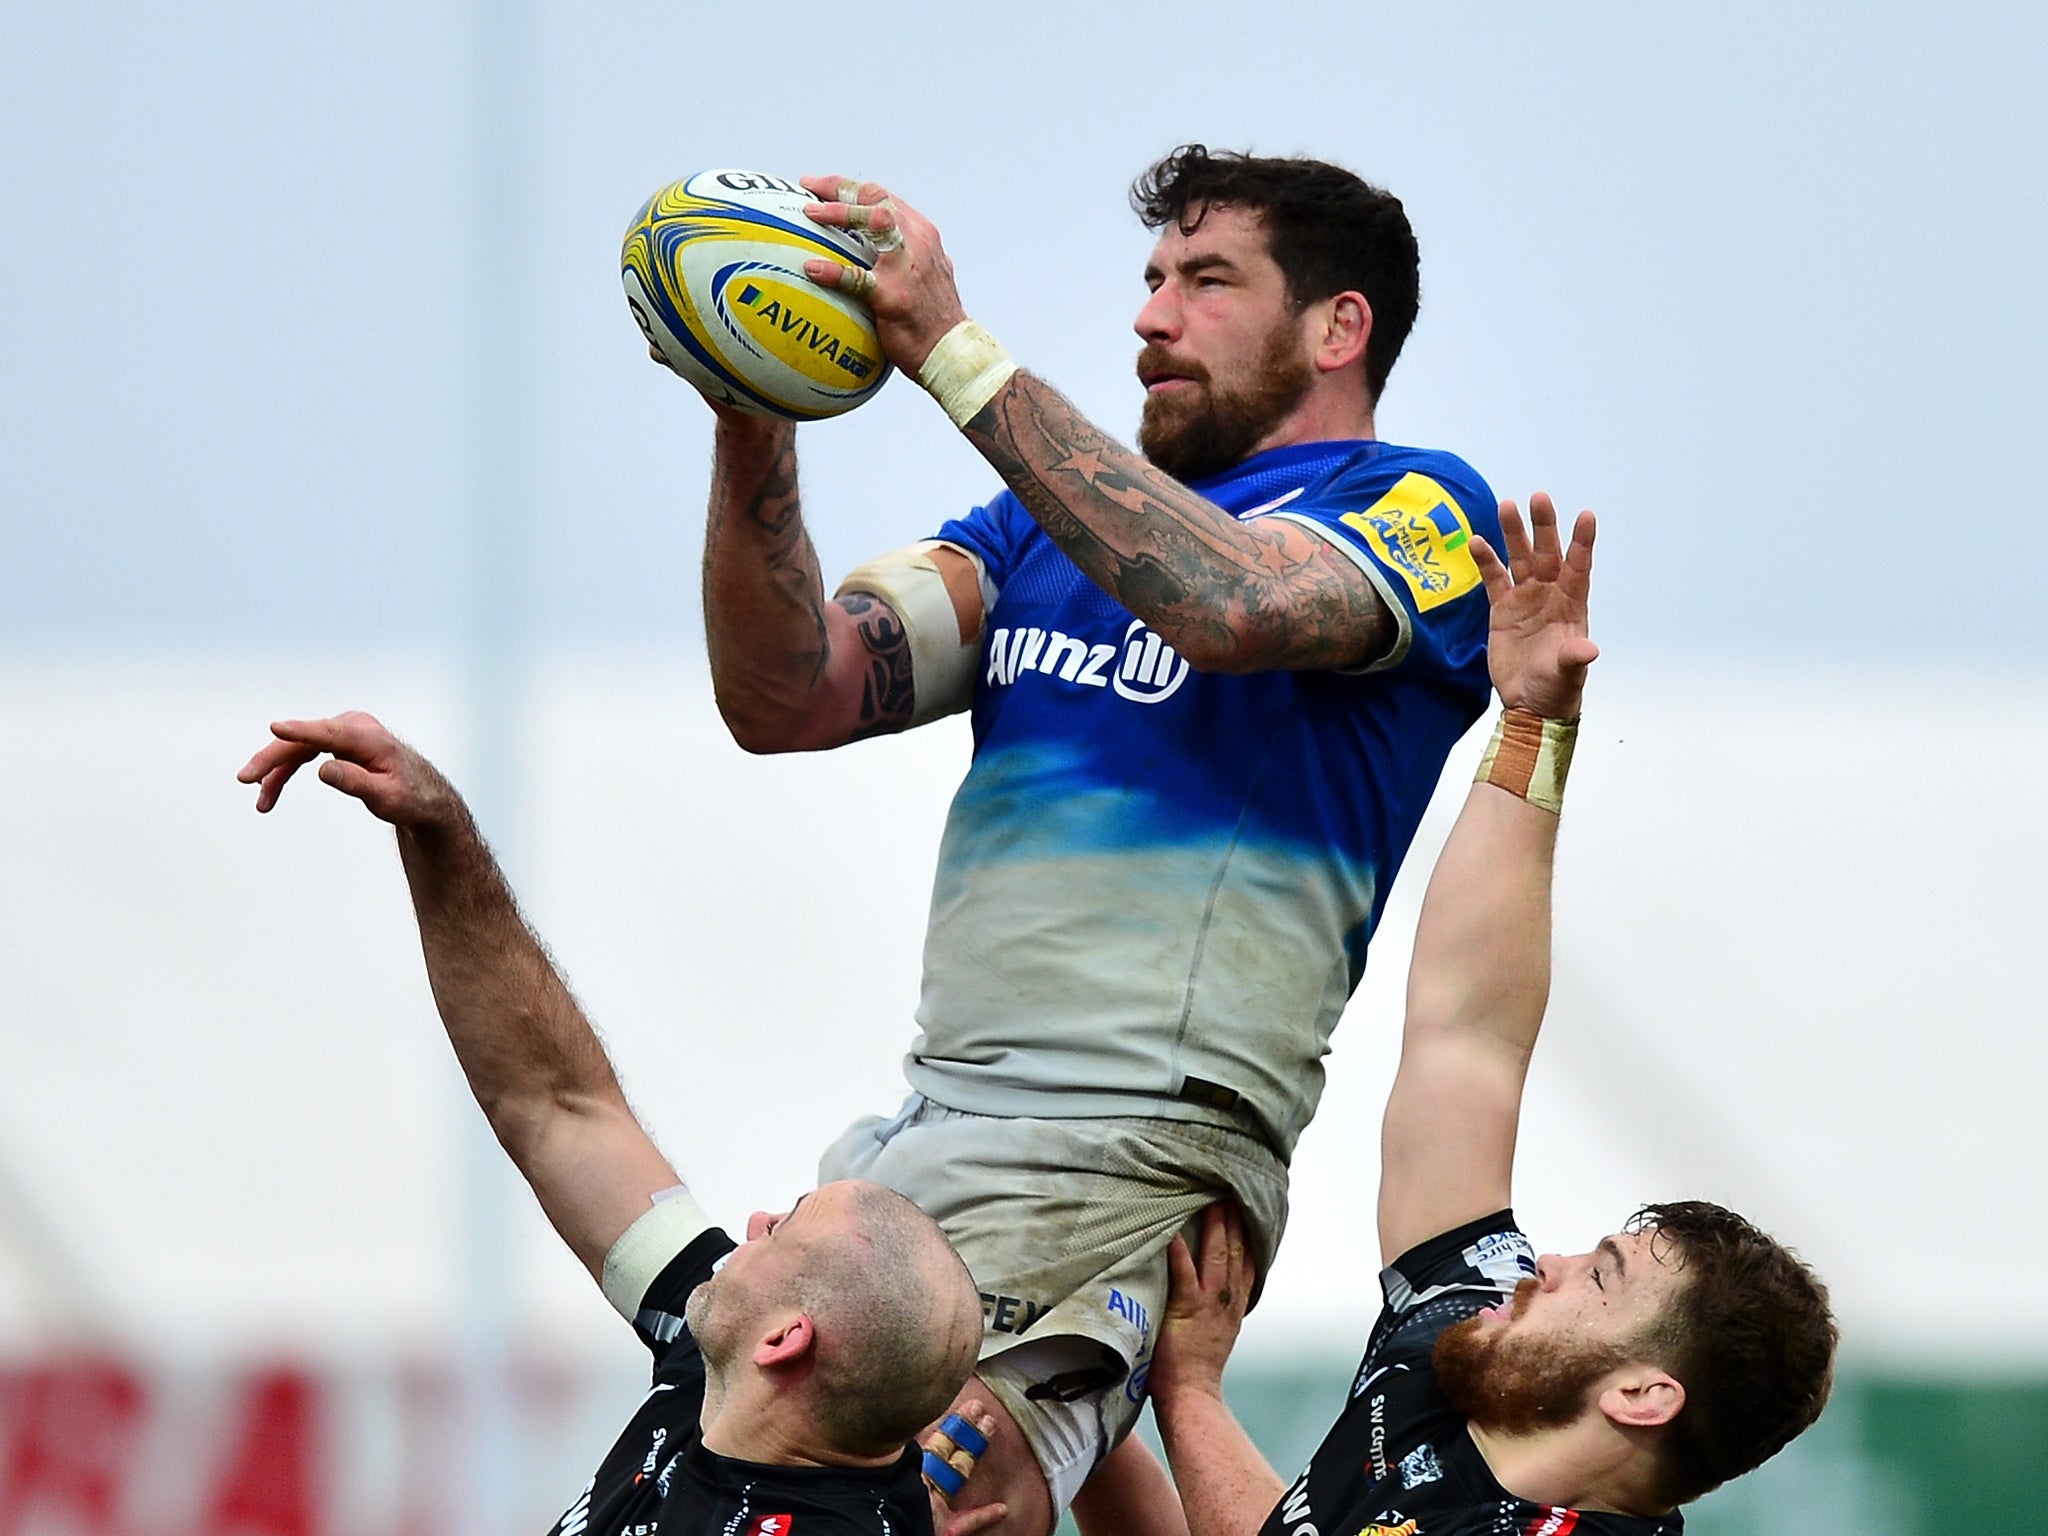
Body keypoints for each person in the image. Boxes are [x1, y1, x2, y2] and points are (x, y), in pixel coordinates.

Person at [673, 145, 1507, 1533]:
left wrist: (948, 350)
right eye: (1150, 279)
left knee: (928, 1504)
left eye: (1206, 280)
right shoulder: (1031, 526)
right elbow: (789, 691)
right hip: (917, 1138)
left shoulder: (1419, 508)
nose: (1150, 317)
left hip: (1128, 1158)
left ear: (1337, 326)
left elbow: (1233, 607)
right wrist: (752, 411)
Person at [1144, 497, 1838, 1536]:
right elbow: (1464, 1039)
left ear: (1640, 1397)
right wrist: (1530, 726)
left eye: (1595, 1278)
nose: (1544, 1263)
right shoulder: (1464, 1341)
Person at [236, 715, 1002, 1536]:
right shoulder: (719, 1367)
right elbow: (559, 1106)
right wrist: (439, 830)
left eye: (780, 1231)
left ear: (786, 1338)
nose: (748, 1224)